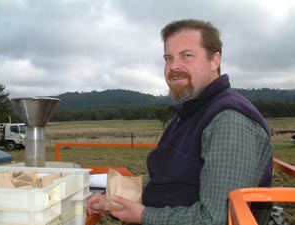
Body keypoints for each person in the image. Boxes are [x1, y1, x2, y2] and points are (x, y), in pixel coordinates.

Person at [87, 19, 273, 224]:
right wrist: (116, 201)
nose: (174, 66)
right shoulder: (190, 111)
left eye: (186, 55)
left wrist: (142, 215)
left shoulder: (228, 121)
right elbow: (172, 186)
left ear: (215, 60)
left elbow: (216, 219)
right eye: (168, 58)